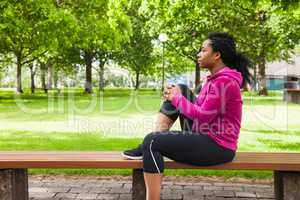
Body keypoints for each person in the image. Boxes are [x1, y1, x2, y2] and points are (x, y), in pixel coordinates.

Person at [122, 32, 252, 200]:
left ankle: (151, 152)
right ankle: (151, 142)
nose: (199, 54)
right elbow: (199, 110)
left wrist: (176, 99)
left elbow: (203, 116)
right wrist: (177, 95)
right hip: (204, 134)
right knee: (181, 88)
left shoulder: (224, 82)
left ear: (217, 55)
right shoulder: (214, 80)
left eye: (204, 50)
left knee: (153, 142)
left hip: (218, 147)